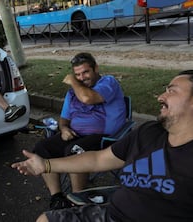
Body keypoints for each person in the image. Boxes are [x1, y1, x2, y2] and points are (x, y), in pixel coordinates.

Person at [12, 70, 193, 222]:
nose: (161, 97)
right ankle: (57, 197)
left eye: (172, 91)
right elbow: (98, 159)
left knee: (74, 147)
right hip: (110, 215)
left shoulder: (107, 85)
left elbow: (88, 98)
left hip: (98, 137)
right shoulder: (148, 132)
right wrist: (46, 165)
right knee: (45, 220)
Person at [33, 52, 126, 210]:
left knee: (74, 151)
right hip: (75, 134)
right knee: (42, 148)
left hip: (103, 138)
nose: (82, 77)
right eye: (77, 75)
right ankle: (57, 197)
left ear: (96, 68)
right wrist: (63, 128)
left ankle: (78, 198)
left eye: (85, 72)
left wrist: (73, 81)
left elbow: (88, 98)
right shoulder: (72, 93)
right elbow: (64, 118)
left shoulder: (108, 82)